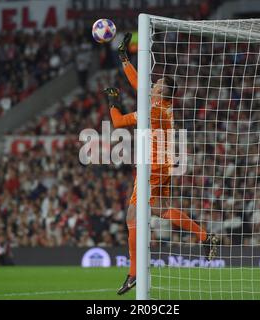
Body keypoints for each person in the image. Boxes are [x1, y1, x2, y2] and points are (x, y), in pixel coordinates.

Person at [104, 33, 219, 295]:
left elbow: (120, 122)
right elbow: (136, 89)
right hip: (163, 163)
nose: (152, 83)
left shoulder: (154, 108)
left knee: (133, 216)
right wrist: (123, 62)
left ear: (160, 91)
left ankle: (134, 273)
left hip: (153, 165)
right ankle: (204, 236)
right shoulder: (163, 106)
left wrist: (113, 101)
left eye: (156, 83)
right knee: (161, 209)